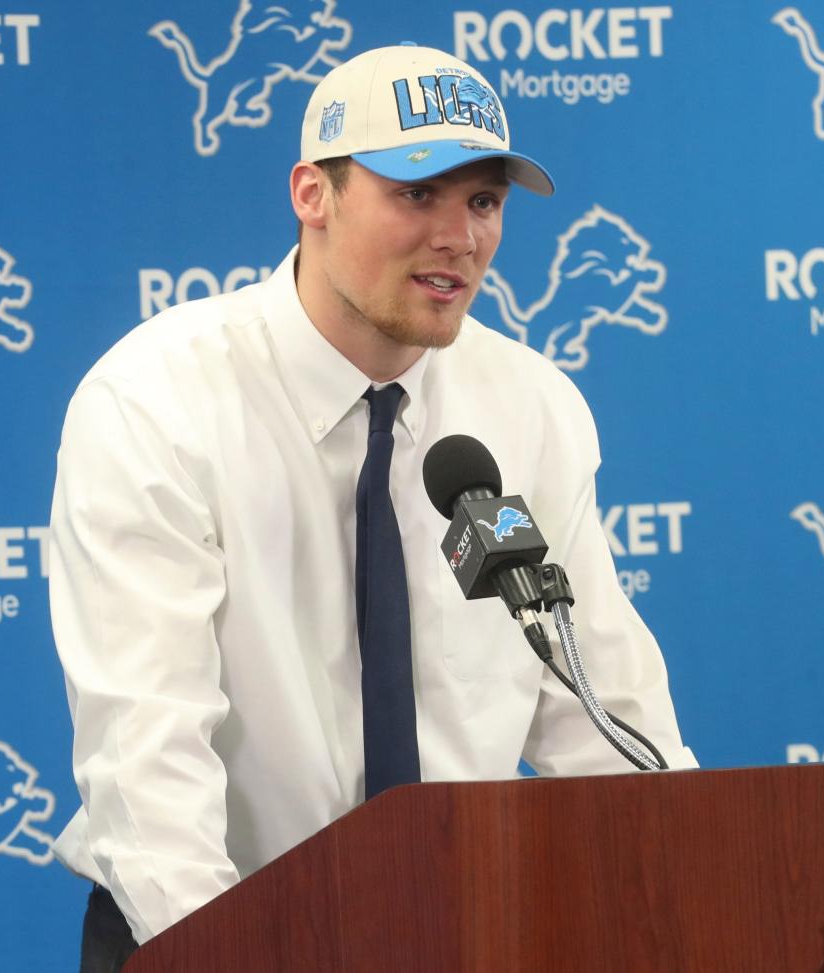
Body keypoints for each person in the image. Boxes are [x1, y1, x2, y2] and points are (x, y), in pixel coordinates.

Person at [48, 43, 697, 970]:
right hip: (206, 927)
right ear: (313, 193)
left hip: (458, 928)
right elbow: (147, 763)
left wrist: (697, 890)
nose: (459, 237)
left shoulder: (529, 405)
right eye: (417, 193)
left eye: (482, 202)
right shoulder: (157, 402)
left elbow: (602, 707)